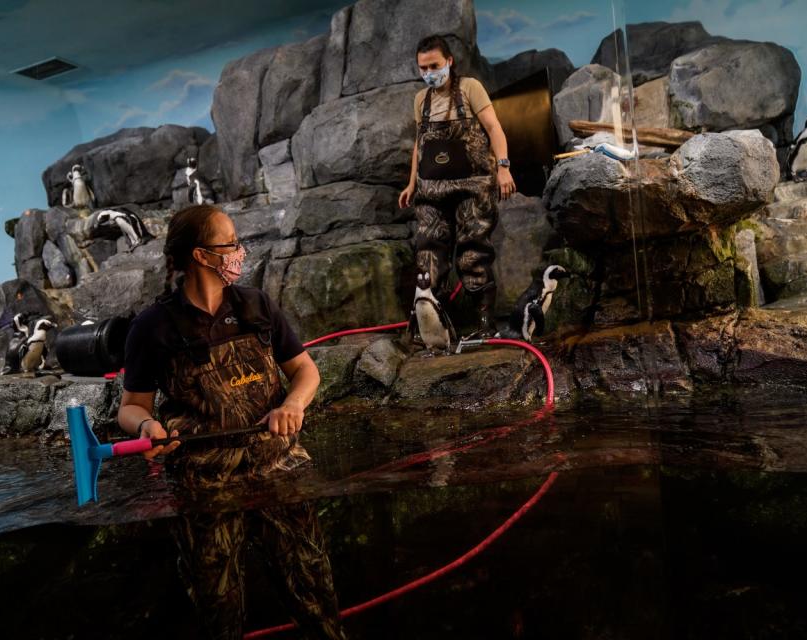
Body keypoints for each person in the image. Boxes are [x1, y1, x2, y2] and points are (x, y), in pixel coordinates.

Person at [118, 204, 346, 640]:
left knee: (317, 599)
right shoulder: (153, 327)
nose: (241, 251)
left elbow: (306, 372)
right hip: (205, 485)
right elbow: (131, 406)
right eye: (232, 244)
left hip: (278, 469)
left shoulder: (256, 306)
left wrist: (292, 406)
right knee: (218, 612)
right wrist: (146, 427)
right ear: (202, 256)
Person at [398, 34, 517, 338]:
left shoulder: (469, 88)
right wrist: (412, 184)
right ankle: (430, 324)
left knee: (472, 251)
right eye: (422, 68)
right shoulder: (420, 100)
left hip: (472, 185)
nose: (428, 73)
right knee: (428, 253)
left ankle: (484, 322)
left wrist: (503, 168)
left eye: (434, 65)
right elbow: (419, 145)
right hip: (431, 190)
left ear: (449, 61)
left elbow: (494, 128)